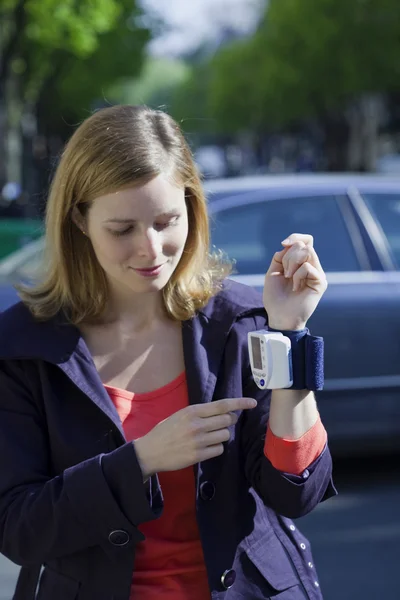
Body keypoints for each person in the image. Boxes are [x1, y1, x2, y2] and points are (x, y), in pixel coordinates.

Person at [0, 105, 336, 600]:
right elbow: (19, 529)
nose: (151, 249)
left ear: (192, 207)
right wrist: (139, 461)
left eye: (166, 220)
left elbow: (297, 491)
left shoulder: (238, 320)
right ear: (79, 219)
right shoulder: (24, 344)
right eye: (123, 229)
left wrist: (289, 333)